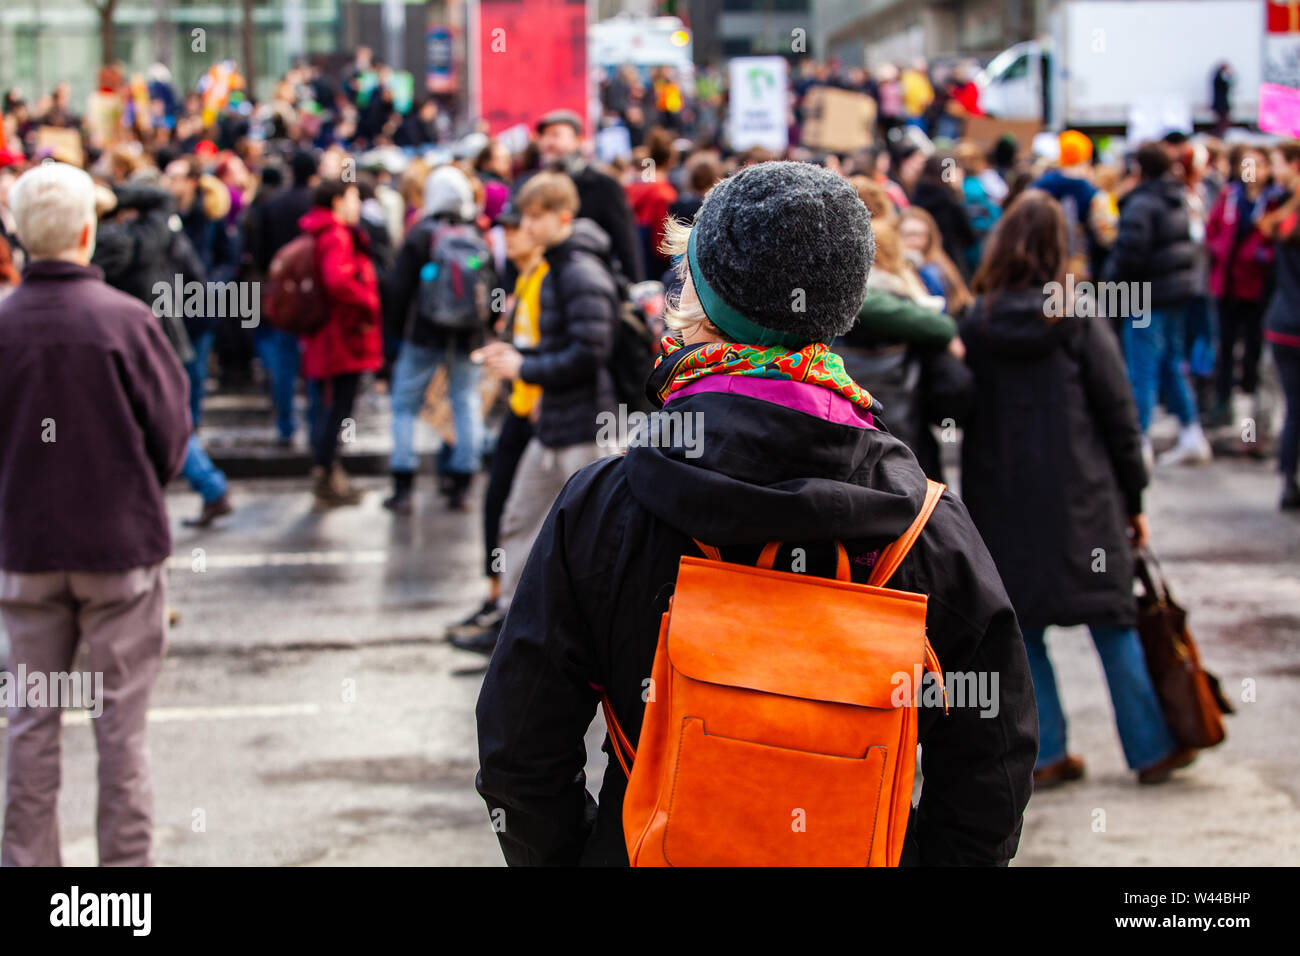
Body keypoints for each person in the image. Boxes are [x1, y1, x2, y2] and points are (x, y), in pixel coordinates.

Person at [475, 160, 1036, 865]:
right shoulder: (927, 528)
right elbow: (993, 759)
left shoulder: (603, 508)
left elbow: (517, 751)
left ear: (699, 300)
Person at [959, 190, 1196, 787]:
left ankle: (1049, 752)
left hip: (1003, 499)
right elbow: (1119, 415)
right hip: (1082, 497)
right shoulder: (1076, 313)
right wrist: (1135, 499)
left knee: (1026, 630)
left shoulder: (977, 322)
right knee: (1113, 624)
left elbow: (959, 407)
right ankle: (1150, 748)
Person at [0, 161, 190, 865]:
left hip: (25, 551)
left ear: (18, 236)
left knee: (30, 727)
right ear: (87, 232)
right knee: (121, 733)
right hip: (118, 551)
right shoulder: (126, 321)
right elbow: (170, 437)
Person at [455, 172, 620, 655]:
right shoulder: (555, 267)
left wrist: (525, 366)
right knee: (520, 522)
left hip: (585, 426)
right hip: (556, 426)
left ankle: (593, 634)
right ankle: (511, 622)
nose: (524, 226)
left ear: (561, 217)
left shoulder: (579, 272)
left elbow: (592, 351)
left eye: (533, 216)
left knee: (592, 536)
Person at [447, 203, 543, 641]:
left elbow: (580, 347)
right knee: (501, 509)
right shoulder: (521, 277)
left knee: (526, 518)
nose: (509, 235)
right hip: (523, 408)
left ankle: (514, 614)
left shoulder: (556, 277)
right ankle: (498, 601)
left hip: (548, 415)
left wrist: (526, 368)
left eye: (516, 226)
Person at [382, 164, 489, 513]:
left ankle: (403, 484)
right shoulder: (476, 233)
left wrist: (395, 336)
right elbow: (495, 286)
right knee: (465, 403)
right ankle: (462, 484)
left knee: (404, 406)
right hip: (468, 336)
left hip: (424, 334)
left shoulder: (421, 233)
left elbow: (398, 290)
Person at [1107, 142, 1212, 467]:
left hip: (1146, 295)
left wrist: (1112, 282)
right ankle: (1190, 432)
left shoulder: (1142, 202)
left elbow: (1131, 253)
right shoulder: (1177, 195)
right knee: (1169, 362)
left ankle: (1139, 441)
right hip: (1173, 294)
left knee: (1143, 368)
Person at [297, 179, 383, 506]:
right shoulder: (336, 235)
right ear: (337, 201)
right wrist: (369, 301)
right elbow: (338, 282)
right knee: (337, 411)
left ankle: (329, 475)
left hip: (331, 338)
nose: (358, 204)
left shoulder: (324, 232)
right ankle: (326, 478)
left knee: (331, 408)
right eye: (353, 197)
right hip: (342, 339)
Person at [521, 109, 644, 282]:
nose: (548, 142)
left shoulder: (604, 185)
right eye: (544, 136)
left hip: (592, 281)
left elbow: (626, 244)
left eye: (555, 135)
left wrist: (634, 287)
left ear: (578, 141)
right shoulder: (530, 186)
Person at [1204, 144, 1275, 427]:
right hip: (1229, 285)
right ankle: (1223, 407)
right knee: (1225, 347)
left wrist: (1260, 255)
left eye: (1257, 164)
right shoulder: (1230, 196)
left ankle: (1254, 418)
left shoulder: (1274, 201)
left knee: (1255, 354)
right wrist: (1219, 250)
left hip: (1259, 288)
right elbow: (1213, 231)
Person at [1258, 141, 1300, 510]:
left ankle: (1288, 477)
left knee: (1294, 405)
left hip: (1283, 321)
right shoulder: (1286, 213)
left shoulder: (1283, 216)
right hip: (1288, 322)